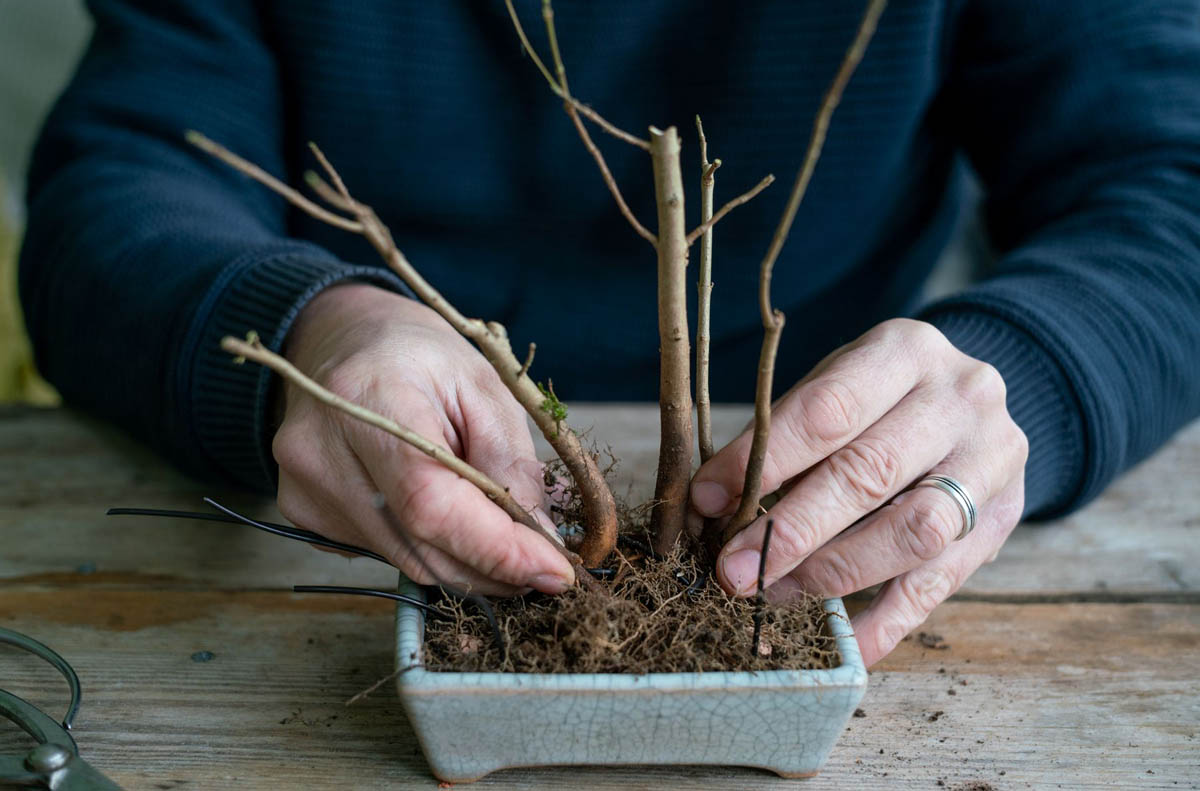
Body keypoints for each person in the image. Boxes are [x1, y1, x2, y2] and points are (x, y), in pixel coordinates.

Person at [19, 0, 1200, 667]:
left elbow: (1169, 183)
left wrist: (1029, 369)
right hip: (368, 475)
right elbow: (116, 186)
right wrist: (308, 327)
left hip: (811, 497)